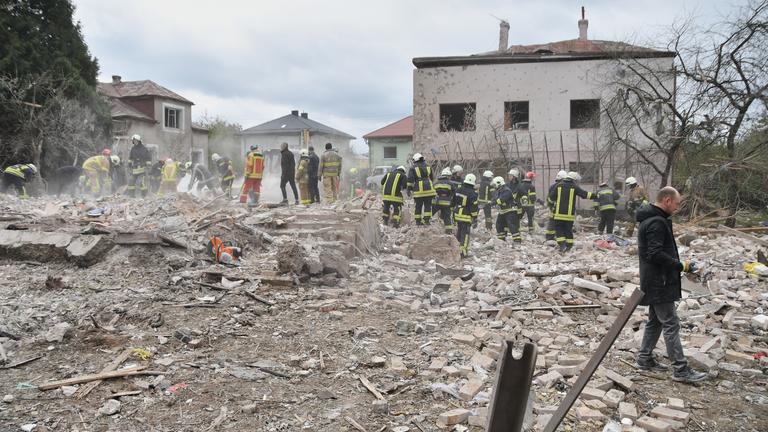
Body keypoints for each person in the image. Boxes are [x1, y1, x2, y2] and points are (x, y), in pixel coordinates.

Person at [636, 187, 707, 383]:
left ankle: (644, 358)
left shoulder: (653, 220)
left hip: (656, 280)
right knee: (670, 323)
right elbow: (655, 253)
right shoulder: (656, 223)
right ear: (667, 200)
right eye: (676, 203)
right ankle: (681, 369)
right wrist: (681, 265)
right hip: (660, 281)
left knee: (656, 321)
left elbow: (655, 252)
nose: (677, 208)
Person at [549, 171, 596, 252]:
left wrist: (551, 205)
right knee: (568, 230)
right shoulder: (574, 187)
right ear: (574, 180)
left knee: (559, 229)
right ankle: (569, 246)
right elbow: (585, 194)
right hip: (569, 215)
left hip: (558, 214)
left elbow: (551, 198)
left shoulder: (558, 186)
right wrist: (596, 195)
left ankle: (562, 245)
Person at [453, 173, 479, 258]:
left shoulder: (458, 190)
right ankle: (463, 252)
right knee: (465, 234)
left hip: (457, 214)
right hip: (466, 215)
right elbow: (474, 208)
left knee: (459, 232)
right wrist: (475, 218)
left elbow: (453, 201)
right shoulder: (473, 194)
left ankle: (456, 250)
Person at [407, 153, 436, 225]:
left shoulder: (413, 168)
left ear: (415, 160)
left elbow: (410, 180)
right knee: (428, 206)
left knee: (418, 206)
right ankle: (427, 221)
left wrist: (409, 189)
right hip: (429, 190)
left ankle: (418, 221)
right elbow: (432, 178)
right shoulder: (428, 166)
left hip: (419, 191)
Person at [495, 173, 522, 243]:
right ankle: (501, 239)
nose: (495, 186)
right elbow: (495, 199)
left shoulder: (506, 190)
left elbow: (500, 200)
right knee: (499, 225)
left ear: (499, 183)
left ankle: (517, 240)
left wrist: (493, 202)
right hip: (503, 211)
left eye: (495, 184)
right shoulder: (499, 190)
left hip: (510, 211)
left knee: (512, 225)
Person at [545, 170, 568, 241]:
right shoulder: (565, 186)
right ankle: (561, 237)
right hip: (561, 209)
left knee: (552, 222)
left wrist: (551, 206)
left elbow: (549, 198)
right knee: (561, 223)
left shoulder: (552, 186)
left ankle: (549, 237)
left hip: (553, 208)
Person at [433, 167, 456, 234]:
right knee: (447, 218)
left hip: (436, 202)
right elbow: (453, 195)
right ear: (447, 176)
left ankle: (424, 224)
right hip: (446, 203)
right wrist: (453, 204)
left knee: (430, 213)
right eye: (449, 176)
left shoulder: (436, 183)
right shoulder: (450, 184)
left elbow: (432, 192)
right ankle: (449, 231)